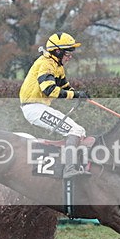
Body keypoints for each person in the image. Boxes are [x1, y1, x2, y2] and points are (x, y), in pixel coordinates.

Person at [19, 32, 91, 179]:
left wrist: (78, 94)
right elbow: (50, 90)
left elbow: (66, 88)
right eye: (67, 54)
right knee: (75, 131)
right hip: (33, 108)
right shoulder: (45, 64)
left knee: (80, 131)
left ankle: (72, 164)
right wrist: (75, 95)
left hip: (39, 107)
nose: (69, 57)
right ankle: (69, 169)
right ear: (57, 51)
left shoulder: (57, 66)